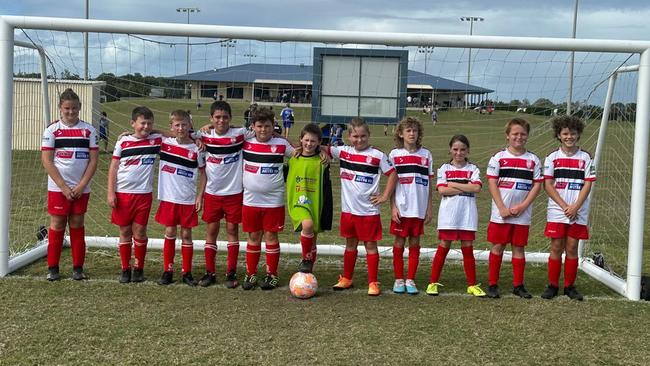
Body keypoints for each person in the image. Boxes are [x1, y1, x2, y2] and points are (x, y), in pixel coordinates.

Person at [329, 117, 397, 296]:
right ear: (349, 136)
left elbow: (392, 174)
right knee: (350, 244)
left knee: (370, 246)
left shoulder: (377, 155)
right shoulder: (343, 152)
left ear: (369, 135)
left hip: (368, 211)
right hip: (348, 210)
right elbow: (320, 148)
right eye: (355, 136)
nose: (359, 140)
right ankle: (346, 278)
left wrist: (385, 196)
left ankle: (373, 282)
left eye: (363, 136)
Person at [41, 88, 98, 281]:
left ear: (80, 108)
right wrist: (64, 187)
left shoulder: (89, 130)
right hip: (58, 188)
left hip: (81, 188)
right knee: (57, 223)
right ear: (60, 108)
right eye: (67, 108)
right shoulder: (52, 130)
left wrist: (81, 186)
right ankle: (53, 268)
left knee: (77, 223)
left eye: (74, 108)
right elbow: (47, 161)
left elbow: (93, 161)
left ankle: (77, 268)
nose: (71, 112)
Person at [196, 101, 253, 288]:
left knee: (232, 231)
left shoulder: (239, 134)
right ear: (211, 119)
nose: (221, 121)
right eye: (217, 118)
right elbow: (179, 132)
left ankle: (231, 272)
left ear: (231, 118)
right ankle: (209, 272)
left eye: (225, 117)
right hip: (212, 193)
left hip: (234, 193)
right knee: (211, 231)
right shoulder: (203, 134)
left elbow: (264, 131)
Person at [485, 118, 543, 299]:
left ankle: (518, 285)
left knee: (519, 248)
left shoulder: (533, 159)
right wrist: (502, 207)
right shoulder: (498, 157)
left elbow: (537, 185)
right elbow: (492, 183)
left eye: (523, 134)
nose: (519, 137)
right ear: (507, 136)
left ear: (527, 136)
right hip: (500, 213)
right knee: (498, 246)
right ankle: (493, 284)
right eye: (515, 134)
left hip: (522, 213)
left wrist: (523, 206)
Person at [541, 115, 595, 301]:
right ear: (558, 135)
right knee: (556, 246)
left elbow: (588, 184)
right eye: (565, 133)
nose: (569, 137)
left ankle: (570, 286)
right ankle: (553, 285)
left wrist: (575, 207)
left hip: (578, 210)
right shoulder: (551, 157)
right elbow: (548, 184)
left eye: (573, 133)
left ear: (578, 134)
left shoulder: (586, 157)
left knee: (572, 247)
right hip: (558, 210)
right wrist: (565, 206)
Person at [241, 107, 294, 290]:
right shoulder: (245, 142)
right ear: (253, 127)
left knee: (271, 235)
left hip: (273, 200)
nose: (263, 130)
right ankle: (251, 274)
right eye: (260, 126)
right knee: (254, 236)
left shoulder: (281, 144)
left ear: (273, 127)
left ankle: (272, 275)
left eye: (267, 126)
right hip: (250, 199)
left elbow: (299, 153)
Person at [107, 106, 162, 283]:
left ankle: (138, 268)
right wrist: (110, 192)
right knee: (124, 231)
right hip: (123, 194)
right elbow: (113, 168)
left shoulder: (156, 140)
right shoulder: (123, 142)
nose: (146, 127)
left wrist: (154, 130)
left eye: (149, 123)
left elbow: (175, 133)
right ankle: (125, 269)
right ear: (132, 123)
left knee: (140, 231)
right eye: (142, 123)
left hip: (143, 195)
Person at [426, 135, 485, 297]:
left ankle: (472, 284)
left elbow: (477, 189)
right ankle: (432, 283)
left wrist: (452, 184)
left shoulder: (473, 169)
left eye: (463, 149)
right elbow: (442, 191)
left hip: (467, 215)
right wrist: (466, 186)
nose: (459, 153)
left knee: (467, 249)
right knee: (444, 246)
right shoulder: (444, 168)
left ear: (468, 151)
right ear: (450, 150)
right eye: (455, 149)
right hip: (448, 216)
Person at [156, 110, 206, 286]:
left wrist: (200, 196)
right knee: (169, 232)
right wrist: (129, 134)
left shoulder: (197, 149)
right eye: (176, 125)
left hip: (187, 198)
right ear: (171, 127)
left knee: (186, 234)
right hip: (169, 197)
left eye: (184, 124)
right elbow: (146, 133)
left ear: (190, 126)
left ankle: (187, 272)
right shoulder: (164, 143)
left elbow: (203, 174)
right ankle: (167, 270)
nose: (180, 128)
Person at [388, 117, 433, 295]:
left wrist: (429, 208)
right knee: (399, 242)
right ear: (401, 133)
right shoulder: (394, 155)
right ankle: (399, 278)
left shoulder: (426, 155)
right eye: (408, 130)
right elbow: (391, 186)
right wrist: (393, 207)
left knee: (415, 242)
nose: (412, 133)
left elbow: (429, 185)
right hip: (401, 207)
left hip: (419, 208)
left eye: (415, 130)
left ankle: (411, 279)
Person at [286, 123, 333, 273]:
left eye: (313, 141)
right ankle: (306, 259)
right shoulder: (294, 158)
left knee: (313, 239)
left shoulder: (322, 161)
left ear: (319, 142)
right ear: (300, 139)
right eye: (306, 140)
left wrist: (324, 153)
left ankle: (308, 272)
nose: (309, 144)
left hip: (316, 202)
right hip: (298, 201)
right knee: (307, 225)